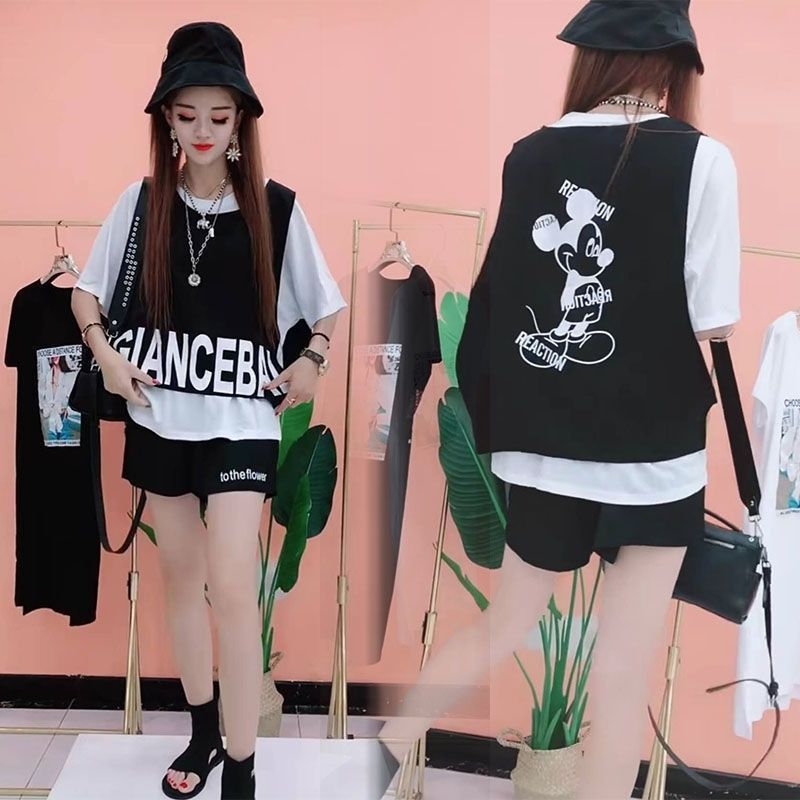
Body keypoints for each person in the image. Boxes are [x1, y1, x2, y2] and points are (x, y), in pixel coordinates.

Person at [377, 2, 740, 798]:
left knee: (506, 622)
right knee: (621, 670)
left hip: (546, 445)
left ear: (591, 54)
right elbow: (713, 322)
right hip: (655, 452)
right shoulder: (704, 159)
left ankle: (385, 749)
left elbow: (501, 296)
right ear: (674, 59)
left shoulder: (531, 153)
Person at [71, 22, 346, 800]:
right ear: (166, 117)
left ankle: (245, 765)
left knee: (232, 584)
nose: (202, 130)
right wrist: (105, 354)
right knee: (180, 579)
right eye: (187, 114)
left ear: (240, 121)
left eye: (218, 116)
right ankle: (202, 735)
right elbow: (87, 293)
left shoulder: (275, 210)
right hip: (159, 417)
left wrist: (312, 359)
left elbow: (326, 307)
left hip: (243, 424)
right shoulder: (141, 205)